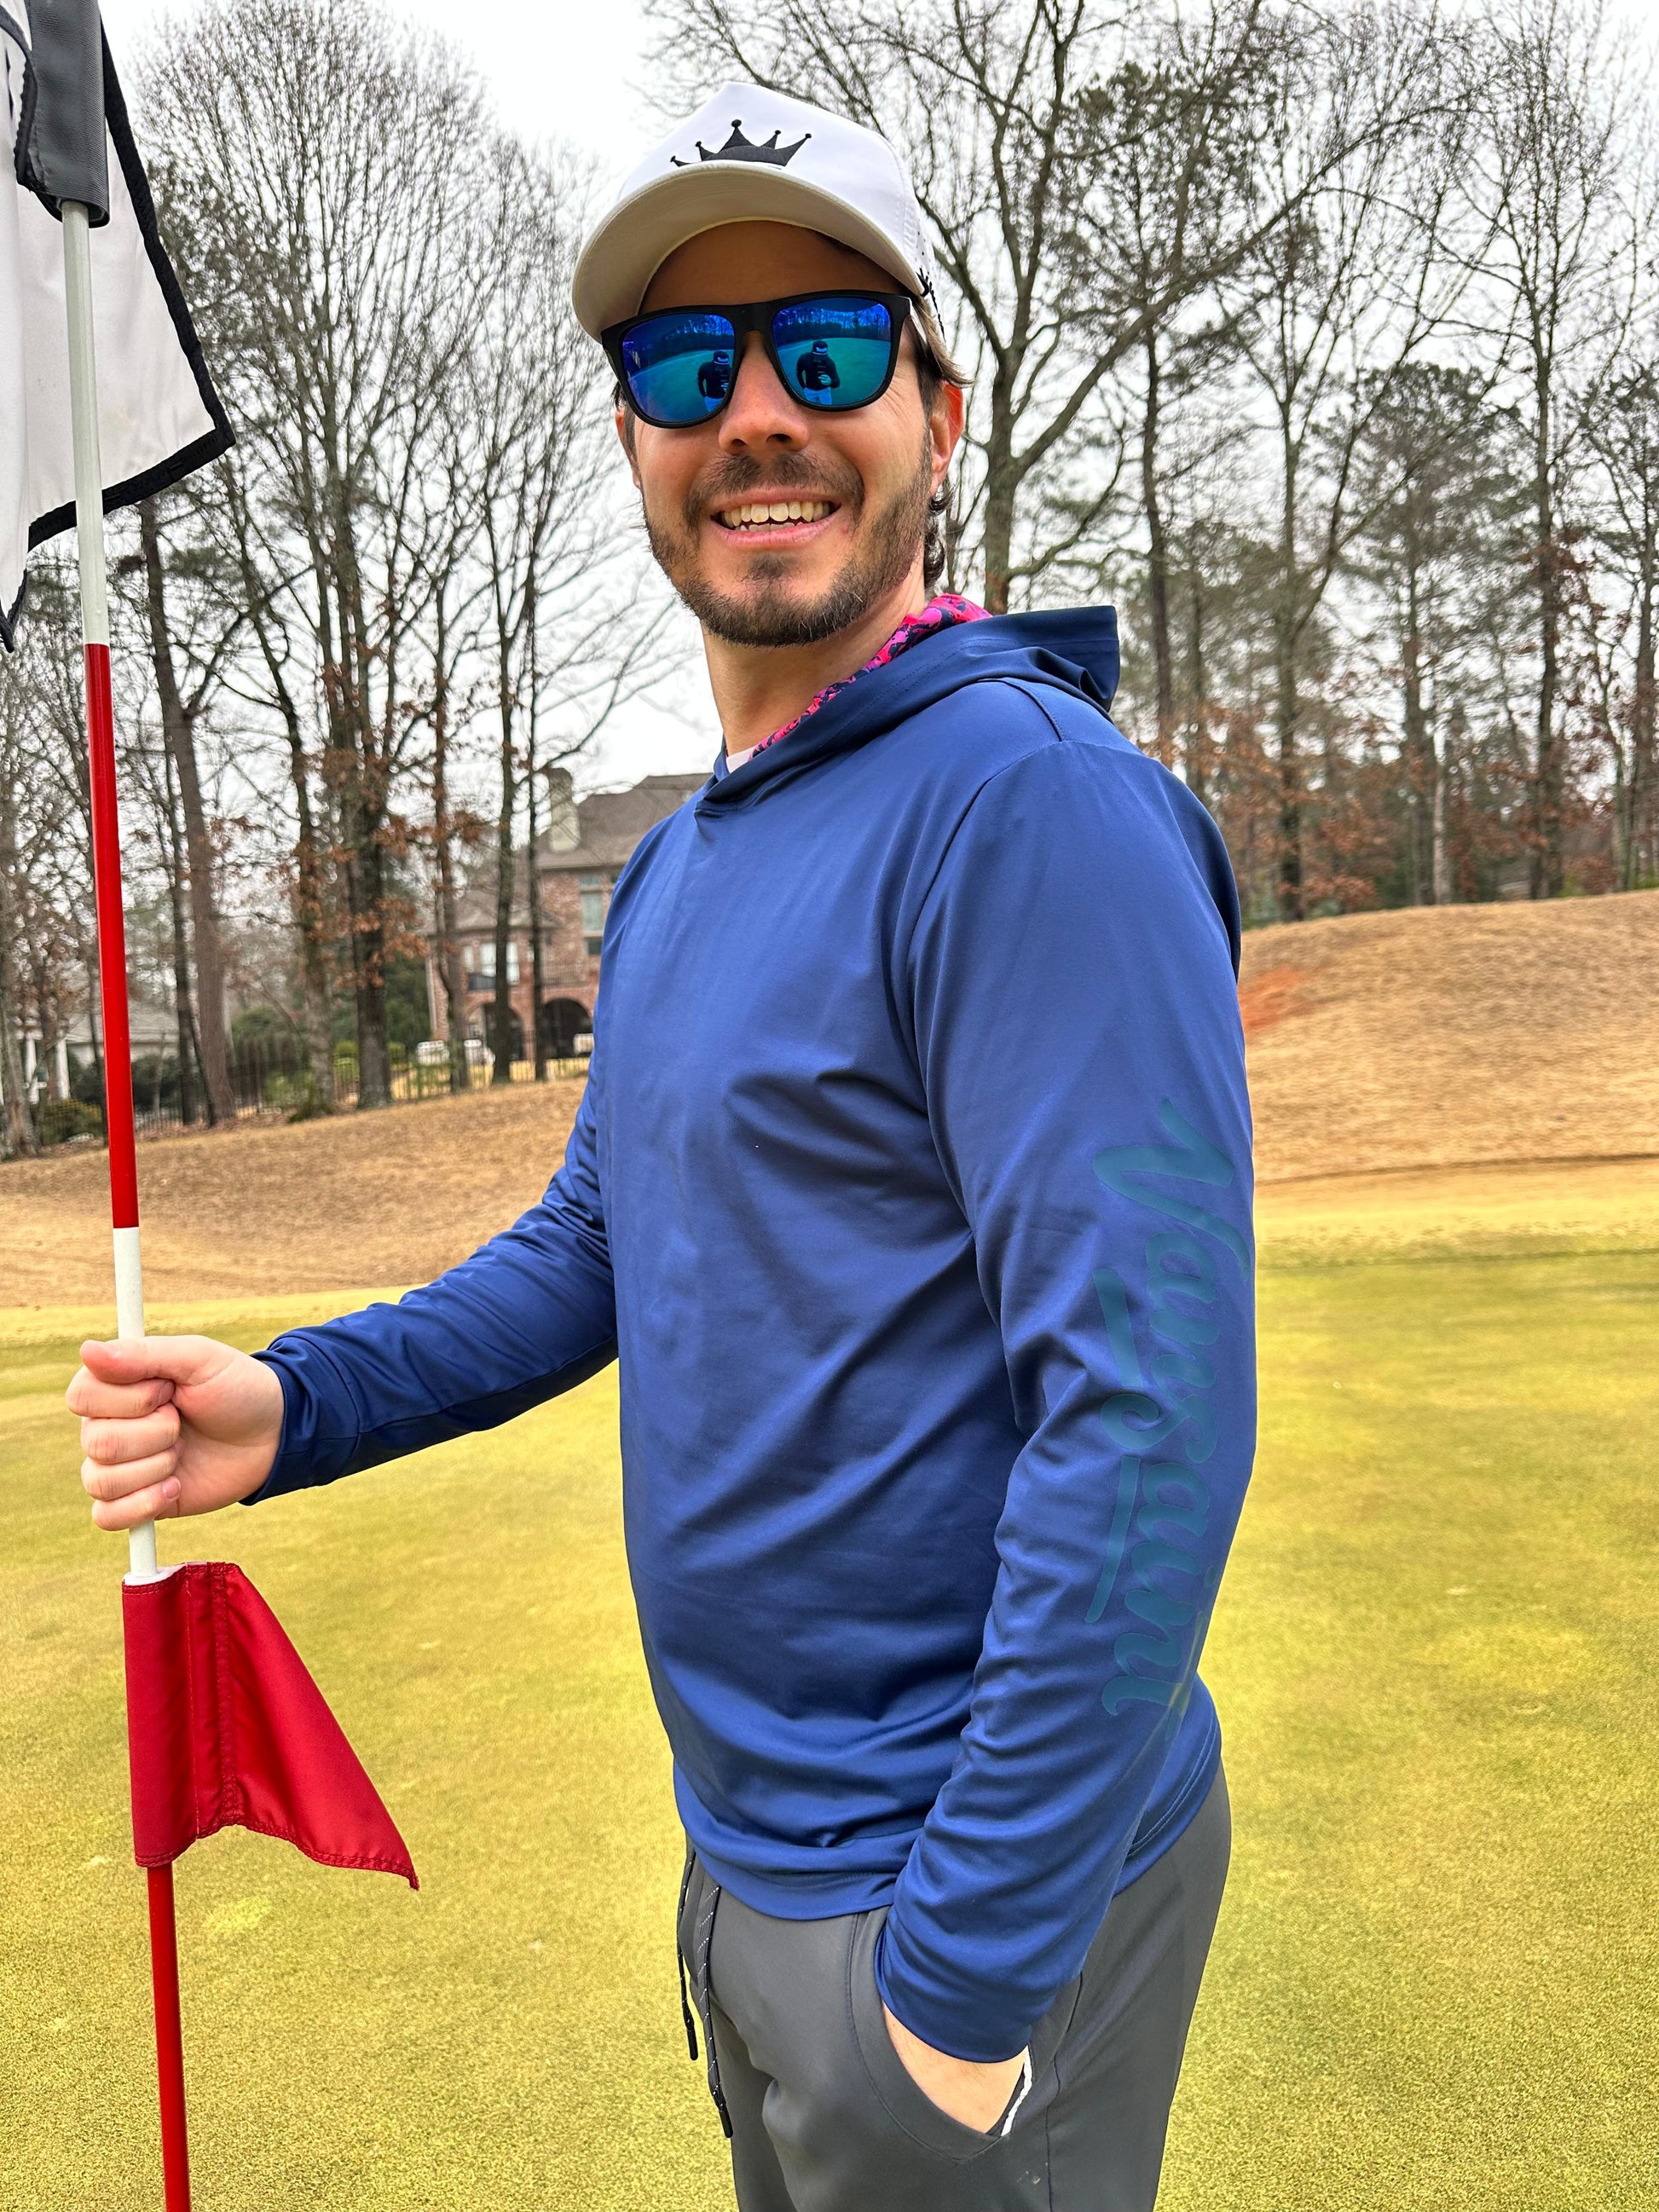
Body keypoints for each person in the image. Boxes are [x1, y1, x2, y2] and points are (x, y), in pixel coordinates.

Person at [67, 82, 1256, 2212]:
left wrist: (957, 1989)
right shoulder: (683, 868)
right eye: (690, 364)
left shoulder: (1032, 807)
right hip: (757, 1864)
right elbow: (606, 1238)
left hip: (953, 1900)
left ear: (937, 411)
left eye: (828, 345)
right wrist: (297, 1401)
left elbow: (1151, 1419)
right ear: (633, 437)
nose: (759, 413)